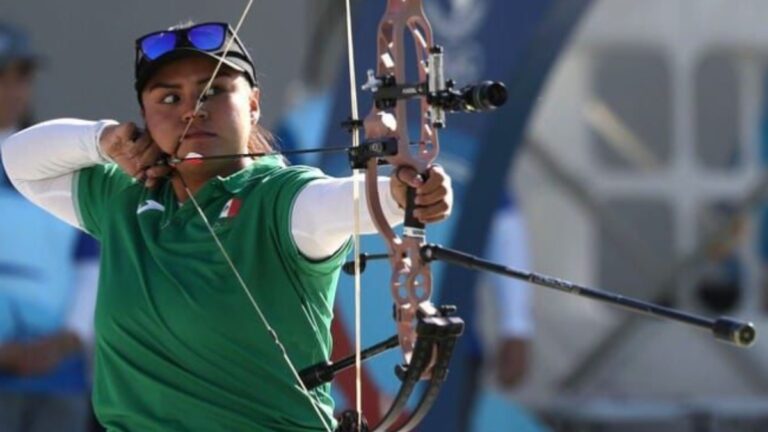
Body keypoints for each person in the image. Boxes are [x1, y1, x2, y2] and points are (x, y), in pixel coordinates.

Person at [1, 21, 453, 431]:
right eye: (169, 98)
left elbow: (345, 201)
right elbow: (20, 160)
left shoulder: (279, 198)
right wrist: (103, 140)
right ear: (144, 118)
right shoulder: (125, 197)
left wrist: (403, 195)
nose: (192, 110)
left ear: (253, 104)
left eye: (213, 91)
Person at [0, 22, 99, 432]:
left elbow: (90, 265)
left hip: (60, 380)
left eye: (21, 75)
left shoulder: (57, 170)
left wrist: (67, 341)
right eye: (1, 76)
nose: (12, 88)